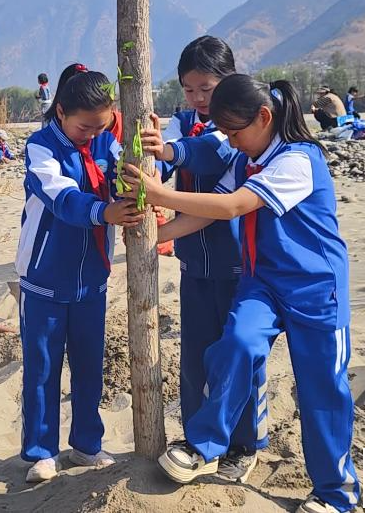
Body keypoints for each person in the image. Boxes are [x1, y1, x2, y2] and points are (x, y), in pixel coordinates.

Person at [127, 74, 359, 513]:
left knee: (321, 390)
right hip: (264, 284)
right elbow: (207, 214)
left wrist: (161, 193)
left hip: (316, 291)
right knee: (235, 344)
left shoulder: (298, 160)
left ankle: (335, 493)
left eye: (235, 132)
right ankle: (205, 445)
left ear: (264, 117)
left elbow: (233, 206)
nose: (231, 142)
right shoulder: (244, 159)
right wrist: (156, 233)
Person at [16, 65, 144, 483]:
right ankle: (41, 451)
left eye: (99, 126)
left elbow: (121, 176)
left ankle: (86, 445)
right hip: (44, 277)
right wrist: (103, 211)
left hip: (92, 277)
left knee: (90, 364)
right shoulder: (40, 148)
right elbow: (62, 198)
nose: (91, 134)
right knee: (43, 366)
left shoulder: (106, 141)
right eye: (84, 127)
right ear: (60, 112)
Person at [155, 35, 267, 482]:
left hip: (237, 264)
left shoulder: (233, 129)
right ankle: (199, 440)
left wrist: (167, 152)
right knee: (195, 358)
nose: (200, 98)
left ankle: (245, 442)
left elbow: (205, 154)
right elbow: (161, 162)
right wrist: (148, 158)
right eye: (189, 89)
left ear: (229, 82)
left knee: (238, 358)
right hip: (193, 263)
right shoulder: (178, 124)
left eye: (207, 87)